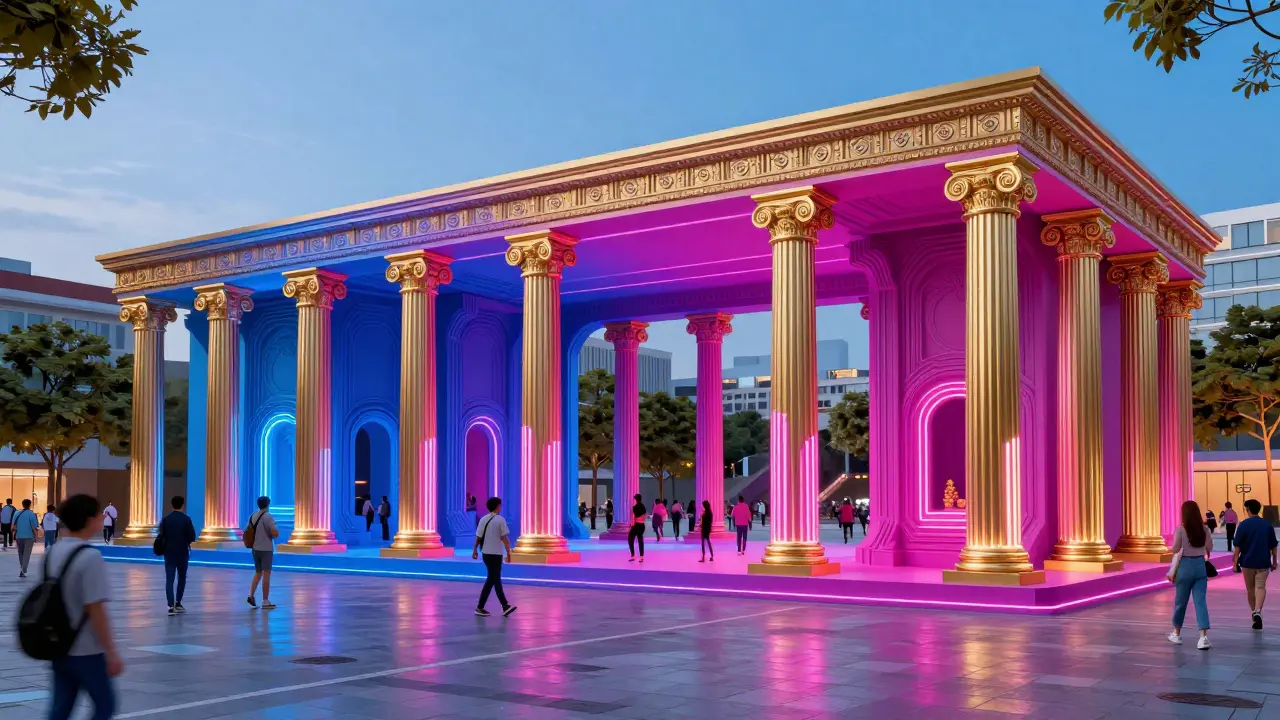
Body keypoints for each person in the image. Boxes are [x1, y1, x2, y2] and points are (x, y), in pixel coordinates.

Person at [43, 493, 121, 720]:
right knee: (105, 705)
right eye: (98, 514)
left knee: (60, 709)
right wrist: (111, 651)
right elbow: (95, 609)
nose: (101, 517)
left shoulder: (51, 552)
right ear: (89, 519)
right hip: (86, 648)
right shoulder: (90, 557)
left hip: (59, 644)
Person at [1168, 500, 1212, 650]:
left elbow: (1175, 549)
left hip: (1185, 567)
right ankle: (1203, 637)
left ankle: (1177, 633)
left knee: (1180, 602)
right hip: (1200, 566)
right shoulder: (1205, 529)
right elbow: (1209, 547)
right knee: (1200, 602)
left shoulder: (1181, 530)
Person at [1232, 498, 1278, 630]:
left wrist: (1235, 562)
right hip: (1263, 561)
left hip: (1247, 562)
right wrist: (1274, 561)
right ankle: (1258, 611)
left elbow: (1237, 547)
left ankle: (1254, 613)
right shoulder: (1267, 525)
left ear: (1248, 510)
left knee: (1250, 589)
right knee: (1261, 587)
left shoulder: (1243, 525)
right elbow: (1273, 545)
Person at [472, 496, 516, 617]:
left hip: (486, 554)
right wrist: (509, 552)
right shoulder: (500, 520)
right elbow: (505, 538)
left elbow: (478, 537)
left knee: (493, 579)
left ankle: (484, 607)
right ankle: (503, 605)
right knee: (494, 579)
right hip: (496, 554)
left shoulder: (483, 520)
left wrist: (475, 550)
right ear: (498, 506)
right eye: (500, 505)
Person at [159, 495, 196, 616]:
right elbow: (192, 537)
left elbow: (161, 535)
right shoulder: (186, 519)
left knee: (169, 579)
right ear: (183, 505)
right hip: (182, 552)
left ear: (172, 505)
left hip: (169, 552)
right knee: (182, 577)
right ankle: (178, 602)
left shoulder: (166, 519)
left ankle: (170, 605)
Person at [246, 496, 279, 609]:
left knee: (258, 572)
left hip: (255, 548)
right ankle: (265, 600)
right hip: (266, 549)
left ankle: (251, 595)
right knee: (266, 573)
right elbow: (274, 533)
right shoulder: (268, 517)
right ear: (268, 505)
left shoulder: (253, 516)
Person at [14, 498, 39, 578]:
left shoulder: (16, 513)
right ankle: (23, 569)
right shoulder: (31, 514)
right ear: (30, 505)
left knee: (20, 553)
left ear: (22, 504)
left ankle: (22, 568)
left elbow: (13, 526)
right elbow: (34, 527)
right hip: (29, 537)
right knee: (26, 553)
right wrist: (36, 537)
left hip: (18, 536)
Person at [628, 493, 646, 563]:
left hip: (637, 525)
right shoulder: (643, 506)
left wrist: (631, 526)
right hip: (642, 525)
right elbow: (644, 515)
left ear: (636, 499)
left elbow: (633, 518)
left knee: (630, 539)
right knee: (640, 540)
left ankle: (633, 555)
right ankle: (641, 557)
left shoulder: (635, 507)